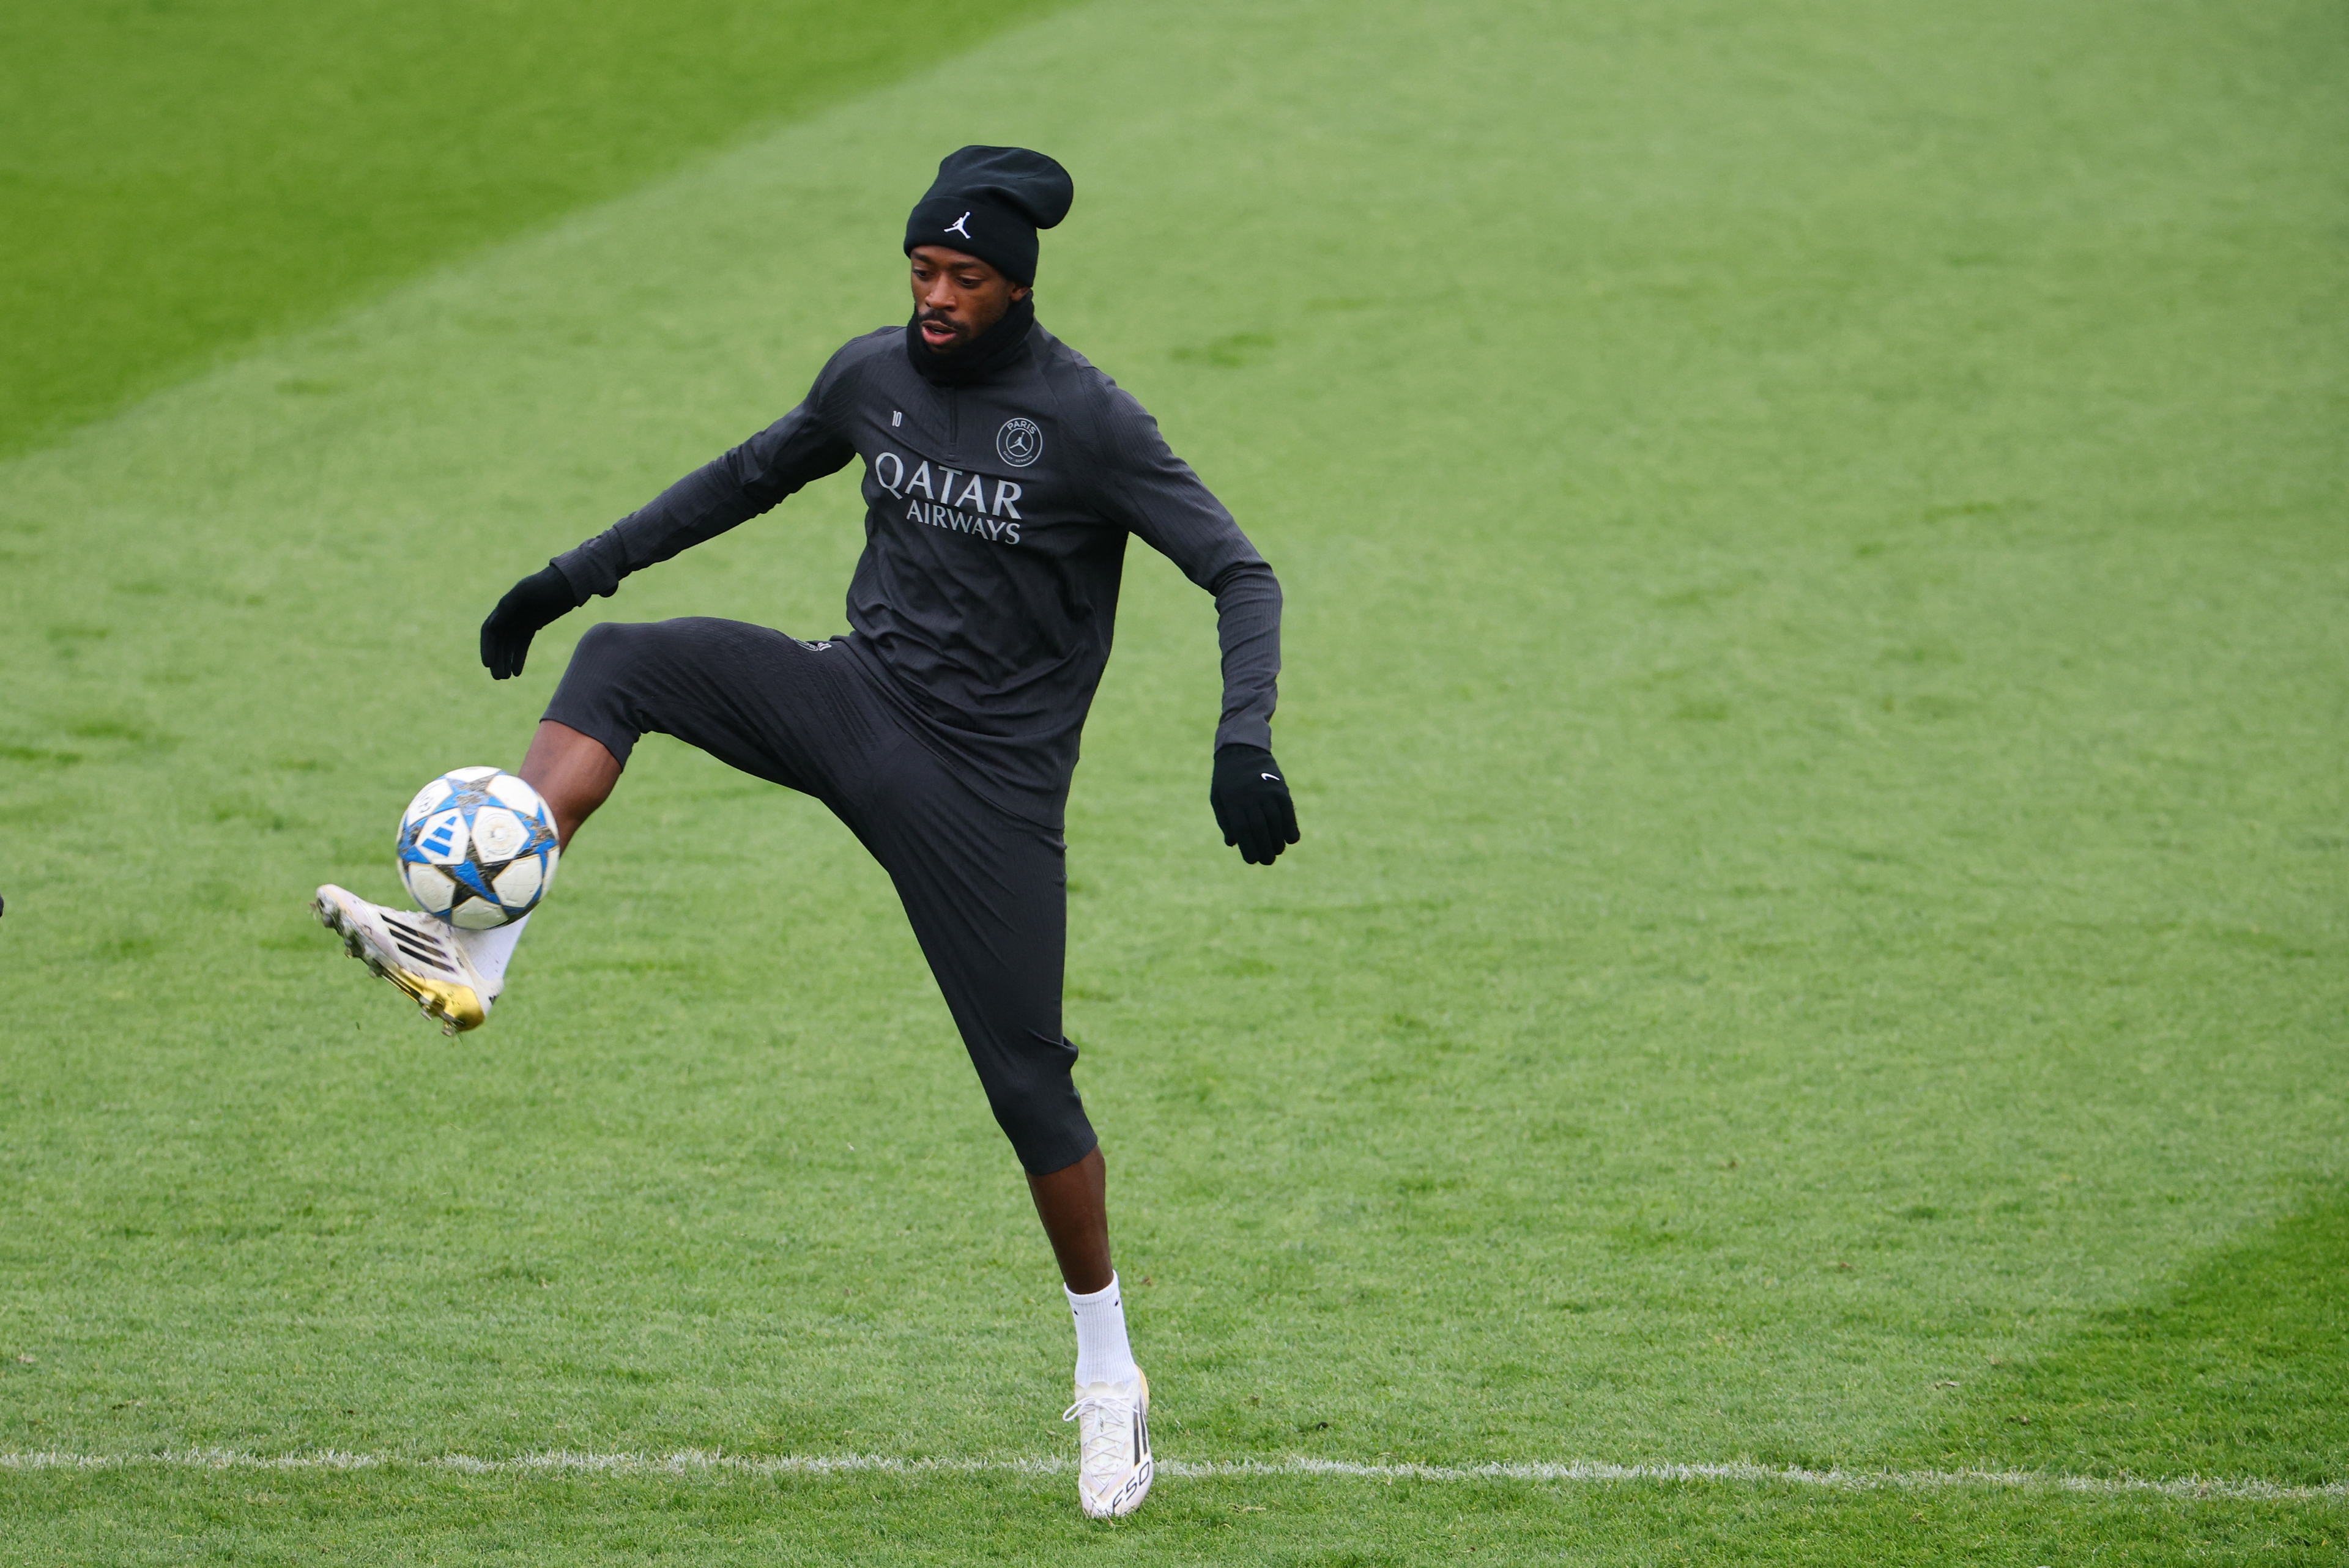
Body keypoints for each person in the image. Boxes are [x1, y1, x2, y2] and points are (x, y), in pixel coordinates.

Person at [312, 145, 1297, 1518]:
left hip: (986, 794)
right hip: (851, 698)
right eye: (920, 270)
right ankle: (478, 953)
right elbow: (741, 477)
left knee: (1028, 1085)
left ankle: (1111, 1374)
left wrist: (1241, 735)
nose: (933, 297)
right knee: (625, 657)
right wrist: (561, 577)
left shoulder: (1087, 422)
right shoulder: (871, 378)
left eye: (961, 278)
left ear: (1015, 288)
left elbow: (1239, 574)